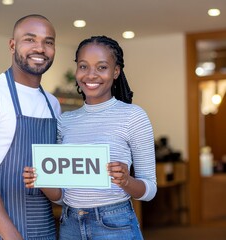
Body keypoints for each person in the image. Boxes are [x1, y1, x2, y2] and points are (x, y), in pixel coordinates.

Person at [23, 35, 157, 240]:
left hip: (115, 224)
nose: (91, 75)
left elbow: (149, 190)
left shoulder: (133, 116)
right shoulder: (64, 121)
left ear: (116, 71)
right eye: (84, 66)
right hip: (70, 225)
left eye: (102, 67)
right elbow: (61, 197)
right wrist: (40, 180)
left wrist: (127, 181)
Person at [0, 14, 61, 240]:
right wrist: (12, 236)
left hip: (43, 227)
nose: (40, 48)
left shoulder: (52, 104)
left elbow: (54, 176)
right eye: (30, 39)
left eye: (48, 42)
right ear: (12, 45)